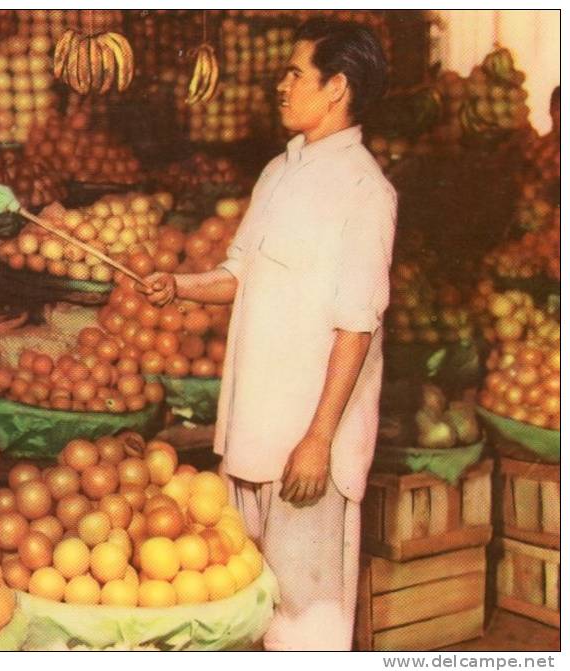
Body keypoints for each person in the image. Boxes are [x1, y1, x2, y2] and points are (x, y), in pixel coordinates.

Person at [141, 19, 395, 651]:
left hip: (306, 446)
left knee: (306, 621)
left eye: (294, 74)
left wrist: (318, 439)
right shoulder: (279, 171)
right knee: (249, 601)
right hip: (253, 430)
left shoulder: (366, 190)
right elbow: (241, 272)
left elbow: (356, 327)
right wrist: (182, 284)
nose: (280, 86)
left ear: (336, 87)